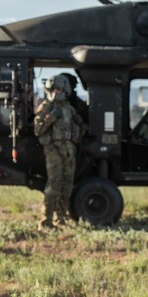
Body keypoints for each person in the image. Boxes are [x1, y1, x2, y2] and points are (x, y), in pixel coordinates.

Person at [34, 73, 86, 231]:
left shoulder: (69, 109)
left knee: (67, 185)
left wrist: (80, 124)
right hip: (53, 151)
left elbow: (79, 132)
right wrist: (50, 118)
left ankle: (61, 218)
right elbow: (38, 130)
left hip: (68, 150)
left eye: (61, 89)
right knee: (54, 186)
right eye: (55, 89)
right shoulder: (46, 106)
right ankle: (45, 221)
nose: (58, 91)